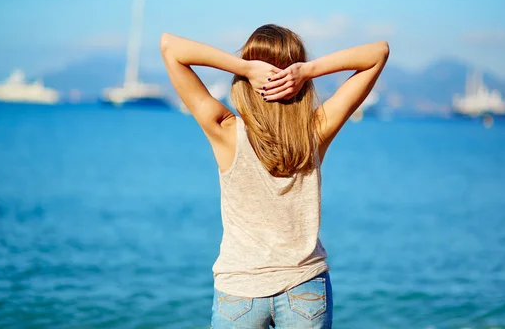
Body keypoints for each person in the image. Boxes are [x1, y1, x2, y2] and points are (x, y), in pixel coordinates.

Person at [160, 24, 389, 329]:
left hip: (239, 289)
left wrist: (244, 67)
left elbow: (169, 47)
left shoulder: (225, 131)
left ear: (244, 82)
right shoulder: (316, 131)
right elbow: (378, 53)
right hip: (304, 286)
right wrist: (306, 71)